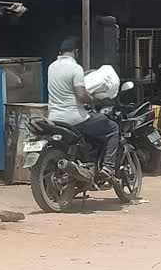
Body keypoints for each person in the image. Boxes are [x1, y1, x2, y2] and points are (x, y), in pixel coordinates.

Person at [47, 37, 120, 180]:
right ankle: (108, 167)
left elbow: (65, 86)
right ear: (76, 51)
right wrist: (95, 98)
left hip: (54, 117)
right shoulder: (75, 68)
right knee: (112, 129)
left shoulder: (52, 66)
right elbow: (81, 96)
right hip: (75, 118)